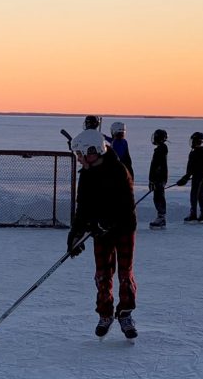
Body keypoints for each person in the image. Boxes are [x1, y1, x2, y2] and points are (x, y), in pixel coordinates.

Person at [67, 129, 138, 339]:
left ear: (95, 151)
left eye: (82, 155)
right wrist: (75, 234)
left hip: (123, 228)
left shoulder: (118, 171)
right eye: (77, 155)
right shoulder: (86, 175)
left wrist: (107, 222)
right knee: (103, 274)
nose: (79, 159)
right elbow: (83, 208)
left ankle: (125, 313)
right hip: (100, 231)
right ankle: (105, 313)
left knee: (125, 274)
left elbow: (125, 205)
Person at [176, 132, 203, 224]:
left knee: (195, 195)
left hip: (199, 177)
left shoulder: (198, 152)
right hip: (202, 177)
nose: (192, 142)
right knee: (201, 196)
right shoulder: (202, 151)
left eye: (193, 140)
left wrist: (185, 178)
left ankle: (194, 215)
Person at [148, 129, 168, 229]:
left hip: (159, 179)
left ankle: (161, 218)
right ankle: (161, 217)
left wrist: (153, 180)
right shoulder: (160, 150)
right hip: (158, 178)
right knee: (157, 197)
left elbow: (156, 167)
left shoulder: (160, 151)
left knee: (159, 197)